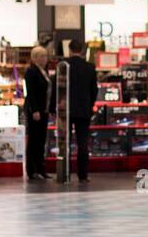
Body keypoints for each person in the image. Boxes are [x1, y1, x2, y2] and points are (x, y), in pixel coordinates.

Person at [51, 40, 98, 182]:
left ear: (69, 49)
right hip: (84, 111)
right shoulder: (89, 67)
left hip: (65, 110)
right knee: (83, 143)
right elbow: (94, 90)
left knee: (65, 142)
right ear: (82, 50)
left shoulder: (63, 66)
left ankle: (65, 174)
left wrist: (54, 107)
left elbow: (56, 88)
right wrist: (90, 105)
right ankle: (83, 175)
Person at [24, 46, 52, 181]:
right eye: (42, 56)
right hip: (35, 111)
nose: (45, 59)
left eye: (45, 56)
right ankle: (32, 169)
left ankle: (41, 168)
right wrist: (34, 110)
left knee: (41, 140)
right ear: (35, 58)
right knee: (34, 140)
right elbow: (31, 93)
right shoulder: (31, 71)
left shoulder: (44, 71)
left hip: (44, 110)